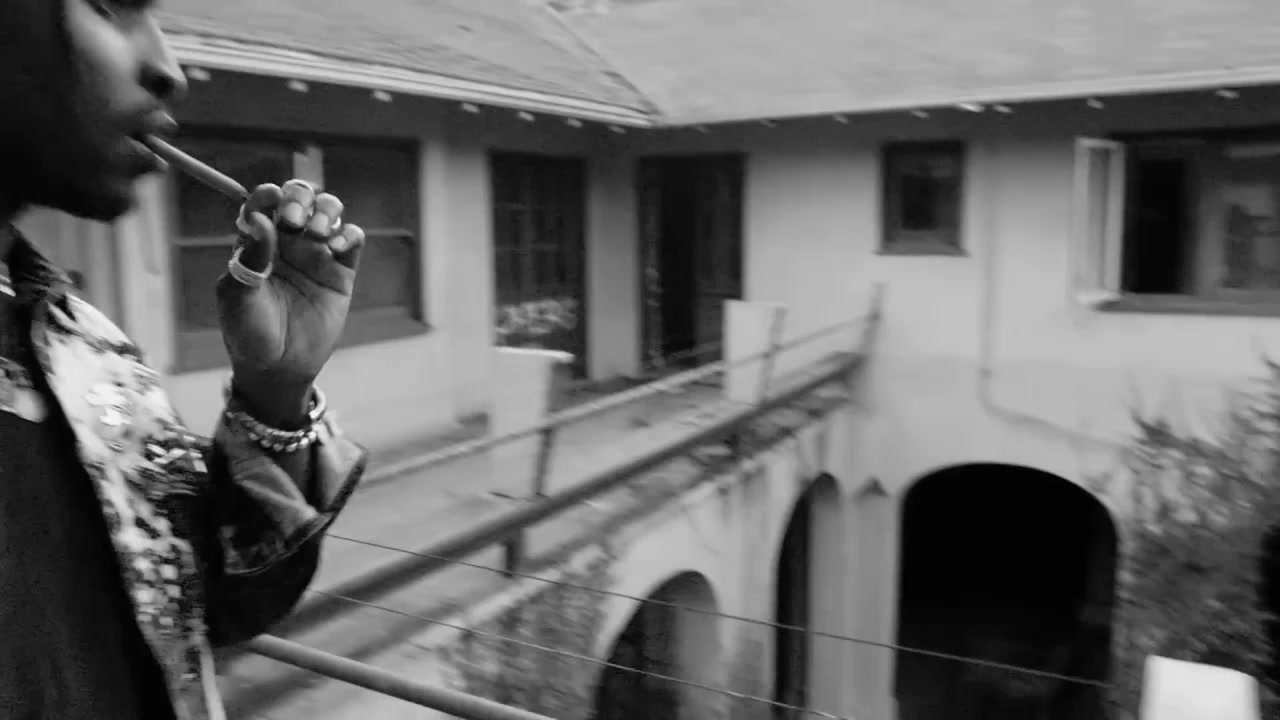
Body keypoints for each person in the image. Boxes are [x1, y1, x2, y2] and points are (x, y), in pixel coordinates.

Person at [0, 0, 370, 718]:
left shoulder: (82, 347)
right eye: (111, 6)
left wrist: (275, 392)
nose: (167, 67)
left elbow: (212, 602)